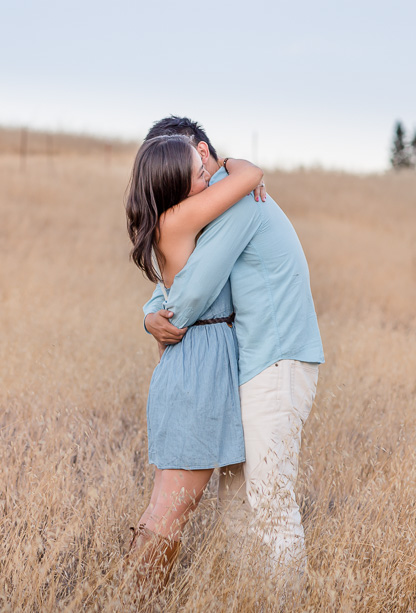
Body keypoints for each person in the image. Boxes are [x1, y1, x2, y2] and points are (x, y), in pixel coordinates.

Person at [141, 116, 324, 584]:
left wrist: (161, 314)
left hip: (275, 360)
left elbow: (193, 288)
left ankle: (284, 602)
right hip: (249, 364)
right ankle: (248, 598)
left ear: (201, 152)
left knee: (268, 500)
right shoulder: (220, 200)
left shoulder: (238, 200)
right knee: (239, 503)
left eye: (187, 162)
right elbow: (189, 268)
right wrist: (150, 312)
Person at [123, 134, 264, 596]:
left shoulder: (173, 219)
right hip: (197, 368)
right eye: (200, 173)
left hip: (188, 366)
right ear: (176, 185)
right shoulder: (182, 217)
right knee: (173, 508)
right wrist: (231, 164)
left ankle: (132, 597)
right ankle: (136, 600)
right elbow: (251, 175)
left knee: (166, 505)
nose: (209, 176)